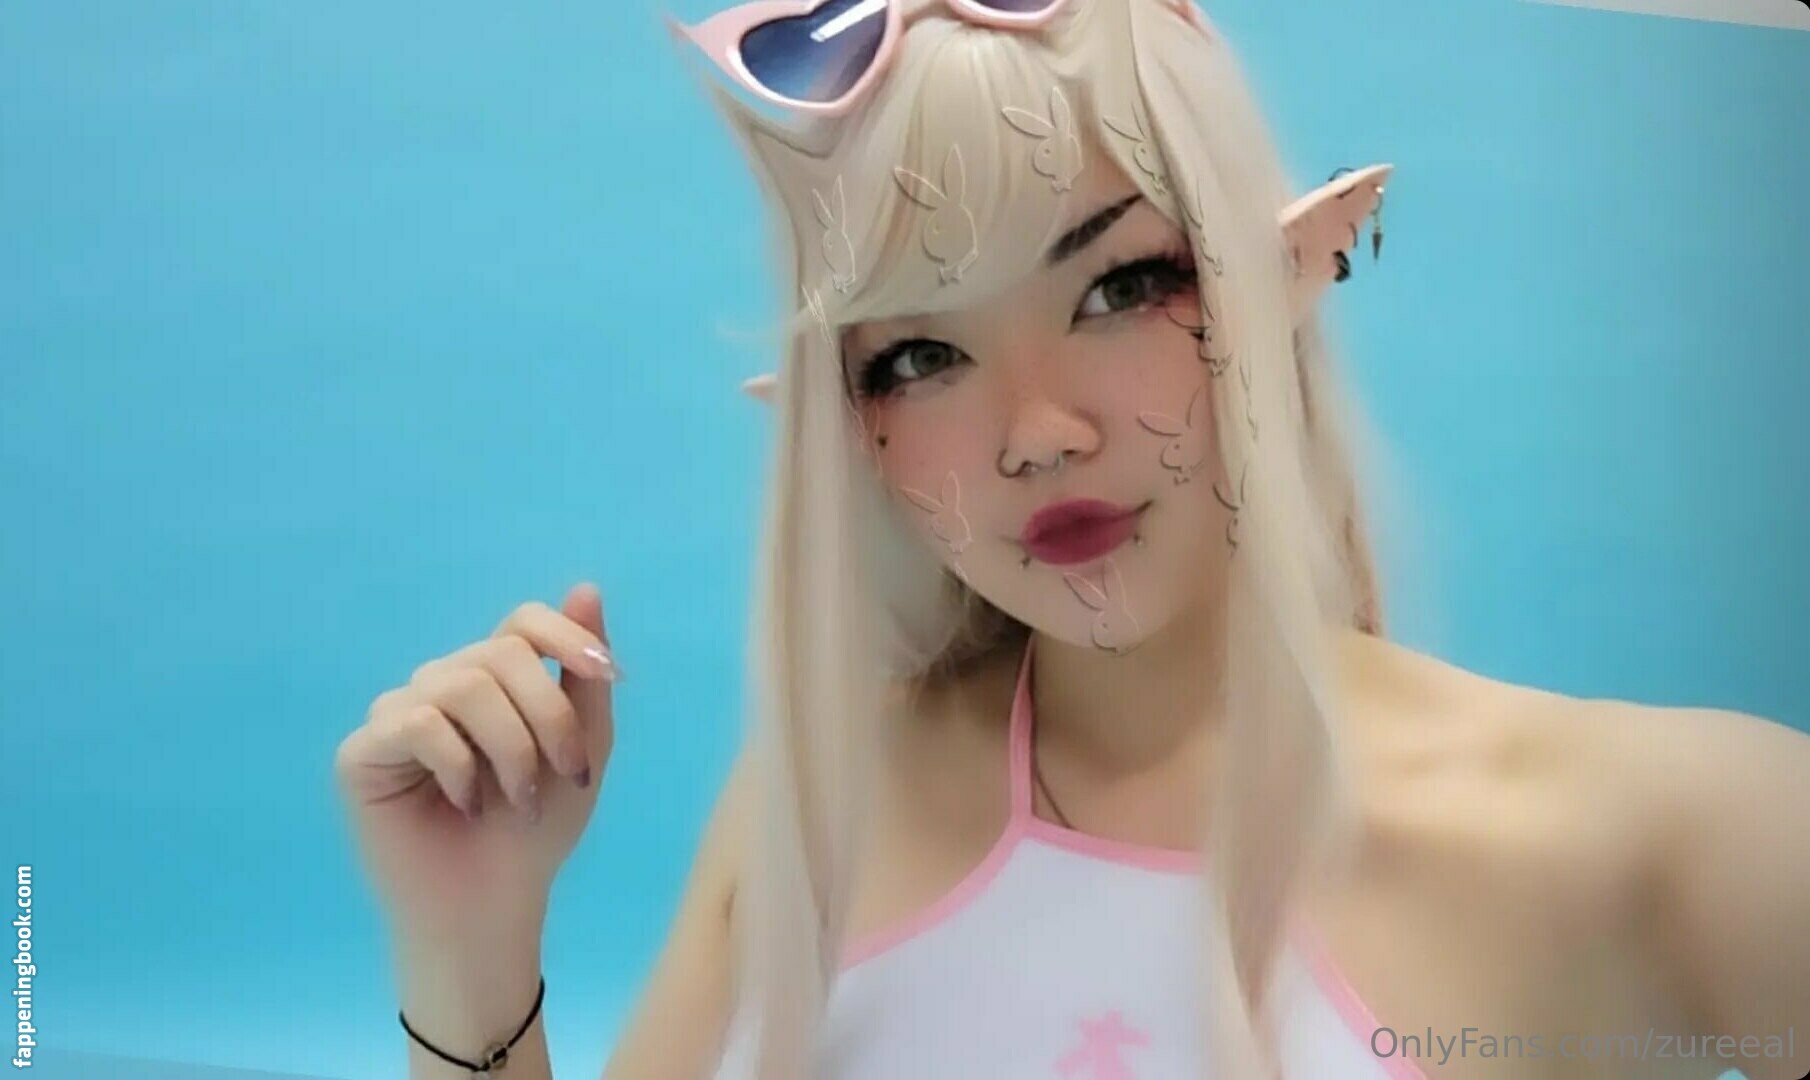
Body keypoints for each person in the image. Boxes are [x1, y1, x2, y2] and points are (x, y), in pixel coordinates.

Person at [332, 0, 1810, 1077]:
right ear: (847, 425)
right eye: (919, 356)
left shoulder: (1678, 832)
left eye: (1117, 287)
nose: (1035, 434)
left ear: (1266, 282)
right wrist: (469, 958)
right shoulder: (816, 808)